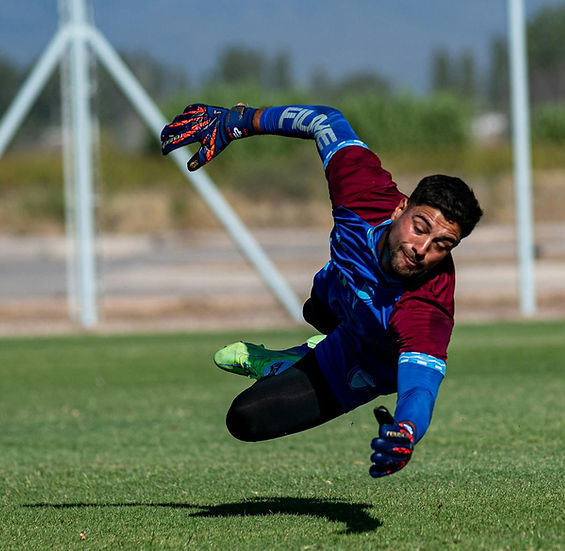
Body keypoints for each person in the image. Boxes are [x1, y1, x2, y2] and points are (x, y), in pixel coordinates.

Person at [160, 103, 482, 477]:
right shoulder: (364, 193)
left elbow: (419, 390)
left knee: (245, 419)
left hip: (366, 361)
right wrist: (239, 121)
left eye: (443, 245)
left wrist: (406, 433)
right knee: (316, 310)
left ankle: (290, 361)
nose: (422, 249)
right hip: (336, 295)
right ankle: (312, 344)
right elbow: (324, 120)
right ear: (400, 208)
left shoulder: (427, 308)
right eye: (420, 227)